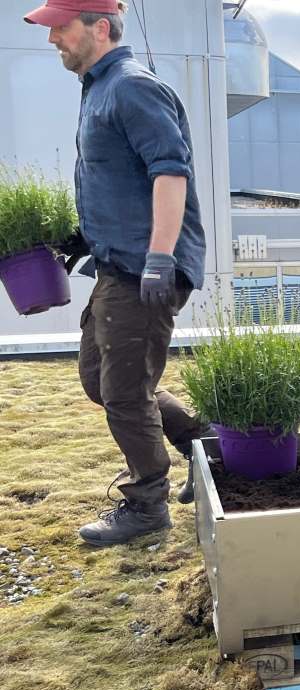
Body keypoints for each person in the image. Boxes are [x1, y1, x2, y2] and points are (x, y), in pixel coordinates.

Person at [25, 0, 208, 546]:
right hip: (115, 264)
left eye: (61, 27)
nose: (53, 38)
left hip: (142, 269)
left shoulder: (131, 86)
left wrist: (159, 256)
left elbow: (169, 171)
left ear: (98, 28)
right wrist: (79, 239)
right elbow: (118, 181)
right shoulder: (98, 88)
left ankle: (147, 506)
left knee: (126, 392)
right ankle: (211, 446)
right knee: (100, 381)